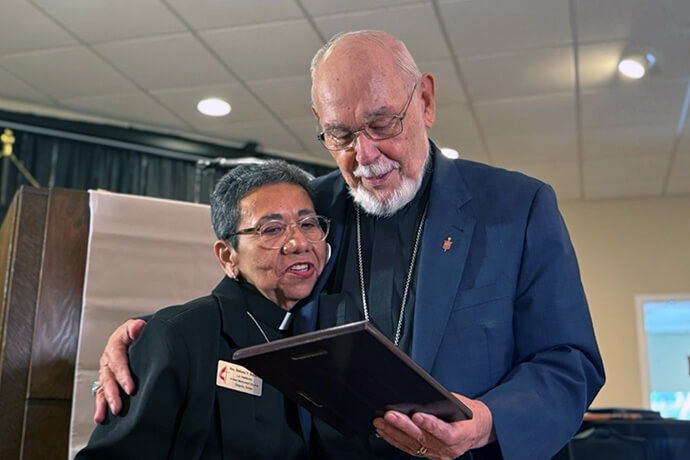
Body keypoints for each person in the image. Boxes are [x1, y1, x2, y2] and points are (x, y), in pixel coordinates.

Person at [94, 30, 605, 460]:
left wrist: (486, 422)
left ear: (424, 101)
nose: (365, 156)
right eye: (340, 135)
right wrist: (146, 337)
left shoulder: (517, 206)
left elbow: (568, 362)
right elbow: (240, 311)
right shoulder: (310, 211)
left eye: (382, 124)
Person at [78, 160, 329, 459]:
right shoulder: (176, 336)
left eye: (308, 223)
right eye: (271, 229)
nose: (298, 242)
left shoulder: (323, 335)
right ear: (227, 256)